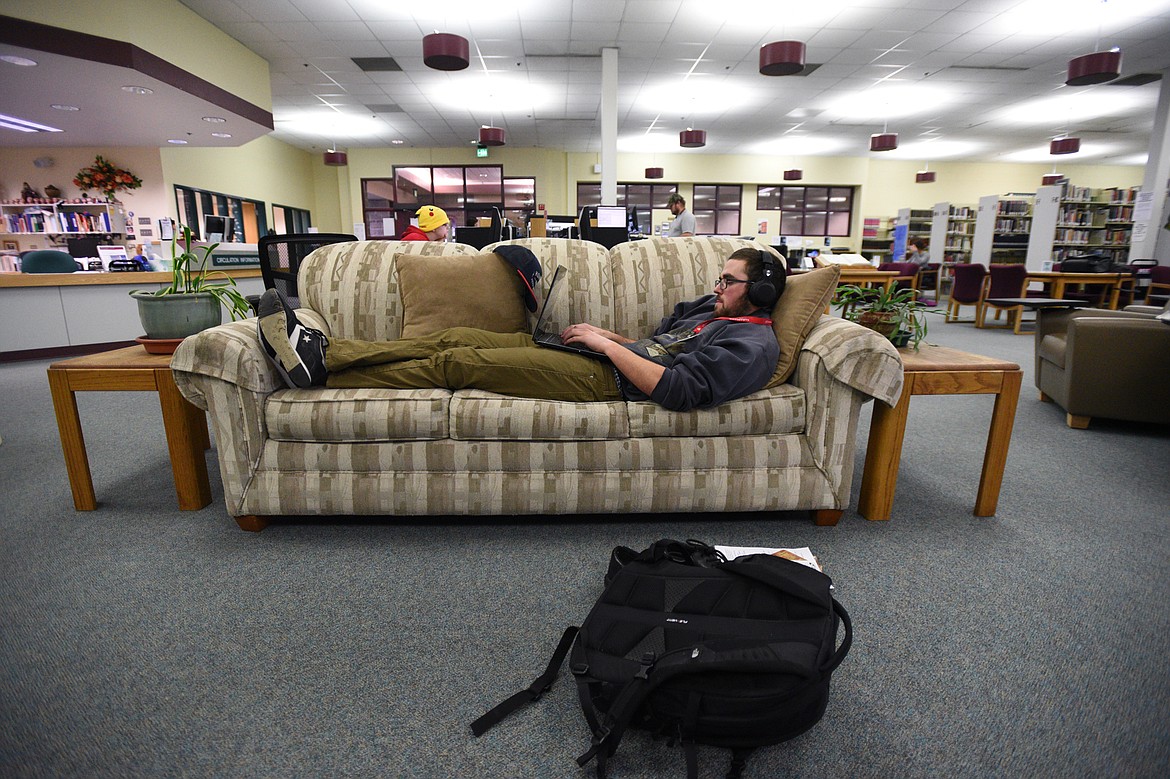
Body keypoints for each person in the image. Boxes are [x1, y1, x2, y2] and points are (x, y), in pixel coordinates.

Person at [256, 247, 783, 412]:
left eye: (729, 281)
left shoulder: (750, 343)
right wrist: (611, 337)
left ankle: (324, 379)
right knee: (454, 337)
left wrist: (603, 348)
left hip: (609, 383)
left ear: (758, 292)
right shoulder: (710, 312)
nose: (717, 286)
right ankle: (325, 352)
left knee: (458, 365)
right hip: (608, 358)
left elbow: (678, 389)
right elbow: (658, 345)